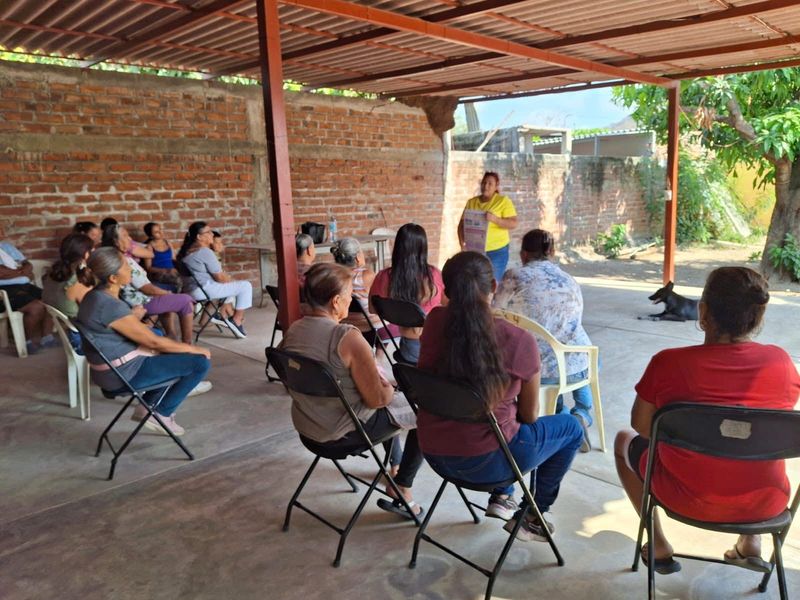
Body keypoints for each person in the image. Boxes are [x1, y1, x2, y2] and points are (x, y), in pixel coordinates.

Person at [615, 266, 800, 575]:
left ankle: (658, 543)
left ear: (703, 310)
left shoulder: (668, 363)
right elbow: (768, 426)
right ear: (758, 315)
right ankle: (751, 543)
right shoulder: (780, 363)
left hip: (684, 497)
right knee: (749, 444)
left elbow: (641, 426)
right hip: (765, 504)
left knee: (623, 440)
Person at [417, 251, 583, 541]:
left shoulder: (434, 322)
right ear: (493, 286)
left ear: (446, 288)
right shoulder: (519, 339)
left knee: (496, 419)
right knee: (571, 427)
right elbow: (530, 416)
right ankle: (533, 515)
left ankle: (502, 496)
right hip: (487, 463)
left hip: (434, 452)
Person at [279, 262, 423, 518]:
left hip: (308, 428)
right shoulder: (347, 337)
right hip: (345, 434)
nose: (352, 300)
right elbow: (378, 400)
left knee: (391, 406)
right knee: (426, 411)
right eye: (349, 295)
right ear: (336, 301)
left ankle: (396, 463)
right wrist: (389, 388)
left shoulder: (293, 331)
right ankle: (403, 485)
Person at [77, 247, 211, 436]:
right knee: (199, 363)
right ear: (113, 278)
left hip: (109, 370)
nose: (132, 269)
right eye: (126, 266)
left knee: (167, 346)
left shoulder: (93, 297)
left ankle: (146, 406)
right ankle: (161, 413)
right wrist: (194, 348)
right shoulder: (110, 305)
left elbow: (114, 326)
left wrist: (133, 318)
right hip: (121, 375)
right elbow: (154, 343)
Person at [494, 229, 595, 452]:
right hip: (576, 368)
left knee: (551, 367)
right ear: (551, 251)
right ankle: (582, 414)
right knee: (588, 355)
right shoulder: (569, 279)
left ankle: (564, 417)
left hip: (533, 372)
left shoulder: (514, 277)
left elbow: (495, 312)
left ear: (523, 254)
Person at [103, 224, 196, 345]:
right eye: (125, 236)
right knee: (185, 300)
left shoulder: (111, 258)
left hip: (135, 299)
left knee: (169, 301)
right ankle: (187, 343)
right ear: (116, 242)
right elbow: (147, 289)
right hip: (140, 303)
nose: (130, 239)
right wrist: (166, 293)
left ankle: (171, 335)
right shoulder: (124, 262)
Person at [368, 223, 444, 364]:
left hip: (406, 349)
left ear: (397, 247)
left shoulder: (384, 276)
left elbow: (373, 308)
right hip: (434, 346)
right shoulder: (434, 275)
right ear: (423, 248)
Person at [177, 221, 251, 339]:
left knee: (232, 288)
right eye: (208, 232)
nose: (212, 234)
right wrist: (233, 282)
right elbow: (220, 278)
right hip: (204, 290)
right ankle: (236, 320)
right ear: (199, 237)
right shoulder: (204, 252)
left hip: (191, 290)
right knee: (245, 286)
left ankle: (214, 316)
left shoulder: (186, 252)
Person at [0, 223, 56, 354]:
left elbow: (27, 264)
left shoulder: (7, 247)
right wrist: (22, 272)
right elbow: (1, 273)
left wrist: (18, 270)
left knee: (51, 300)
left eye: (1, 229)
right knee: (35, 307)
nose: (2, 232)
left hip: (24, 286)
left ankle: (47, 338)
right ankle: (28, 342)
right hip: (4, 291)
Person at [458, 172, 517, 282]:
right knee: (475, 282)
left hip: (497, 252)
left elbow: (513, 223)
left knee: (492, 283)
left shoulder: (503, 201)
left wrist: (495, 219)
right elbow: (461, 225)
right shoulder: (471, 202)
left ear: (496, 186)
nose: (486, 186)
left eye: (490, 184)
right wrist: (462, 245)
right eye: (484, 183)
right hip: (475, 250)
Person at [42, 233, 96, 353]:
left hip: (69, 332)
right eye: (93, 250)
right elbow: (94, 311)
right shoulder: (77, 281)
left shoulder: (53, 273)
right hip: (82, 338)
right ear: (86, 254)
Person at [331, 237, 381, 336]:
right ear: (358, 257)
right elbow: (380, 302)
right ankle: (379, 350)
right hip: (370, 326)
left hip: (345, 326)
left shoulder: (334, 277)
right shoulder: (366, 276)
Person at [143, 222, 181, 291]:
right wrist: (165, 270)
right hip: (159, 273)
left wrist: (178, 269)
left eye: (160, 229)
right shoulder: (149, 247)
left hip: (172, 271)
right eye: (157, 232)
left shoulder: (168, 243)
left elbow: (173, 259)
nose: (161, 232)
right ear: (151, 236)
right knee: (177, 281)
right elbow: (148, 267)